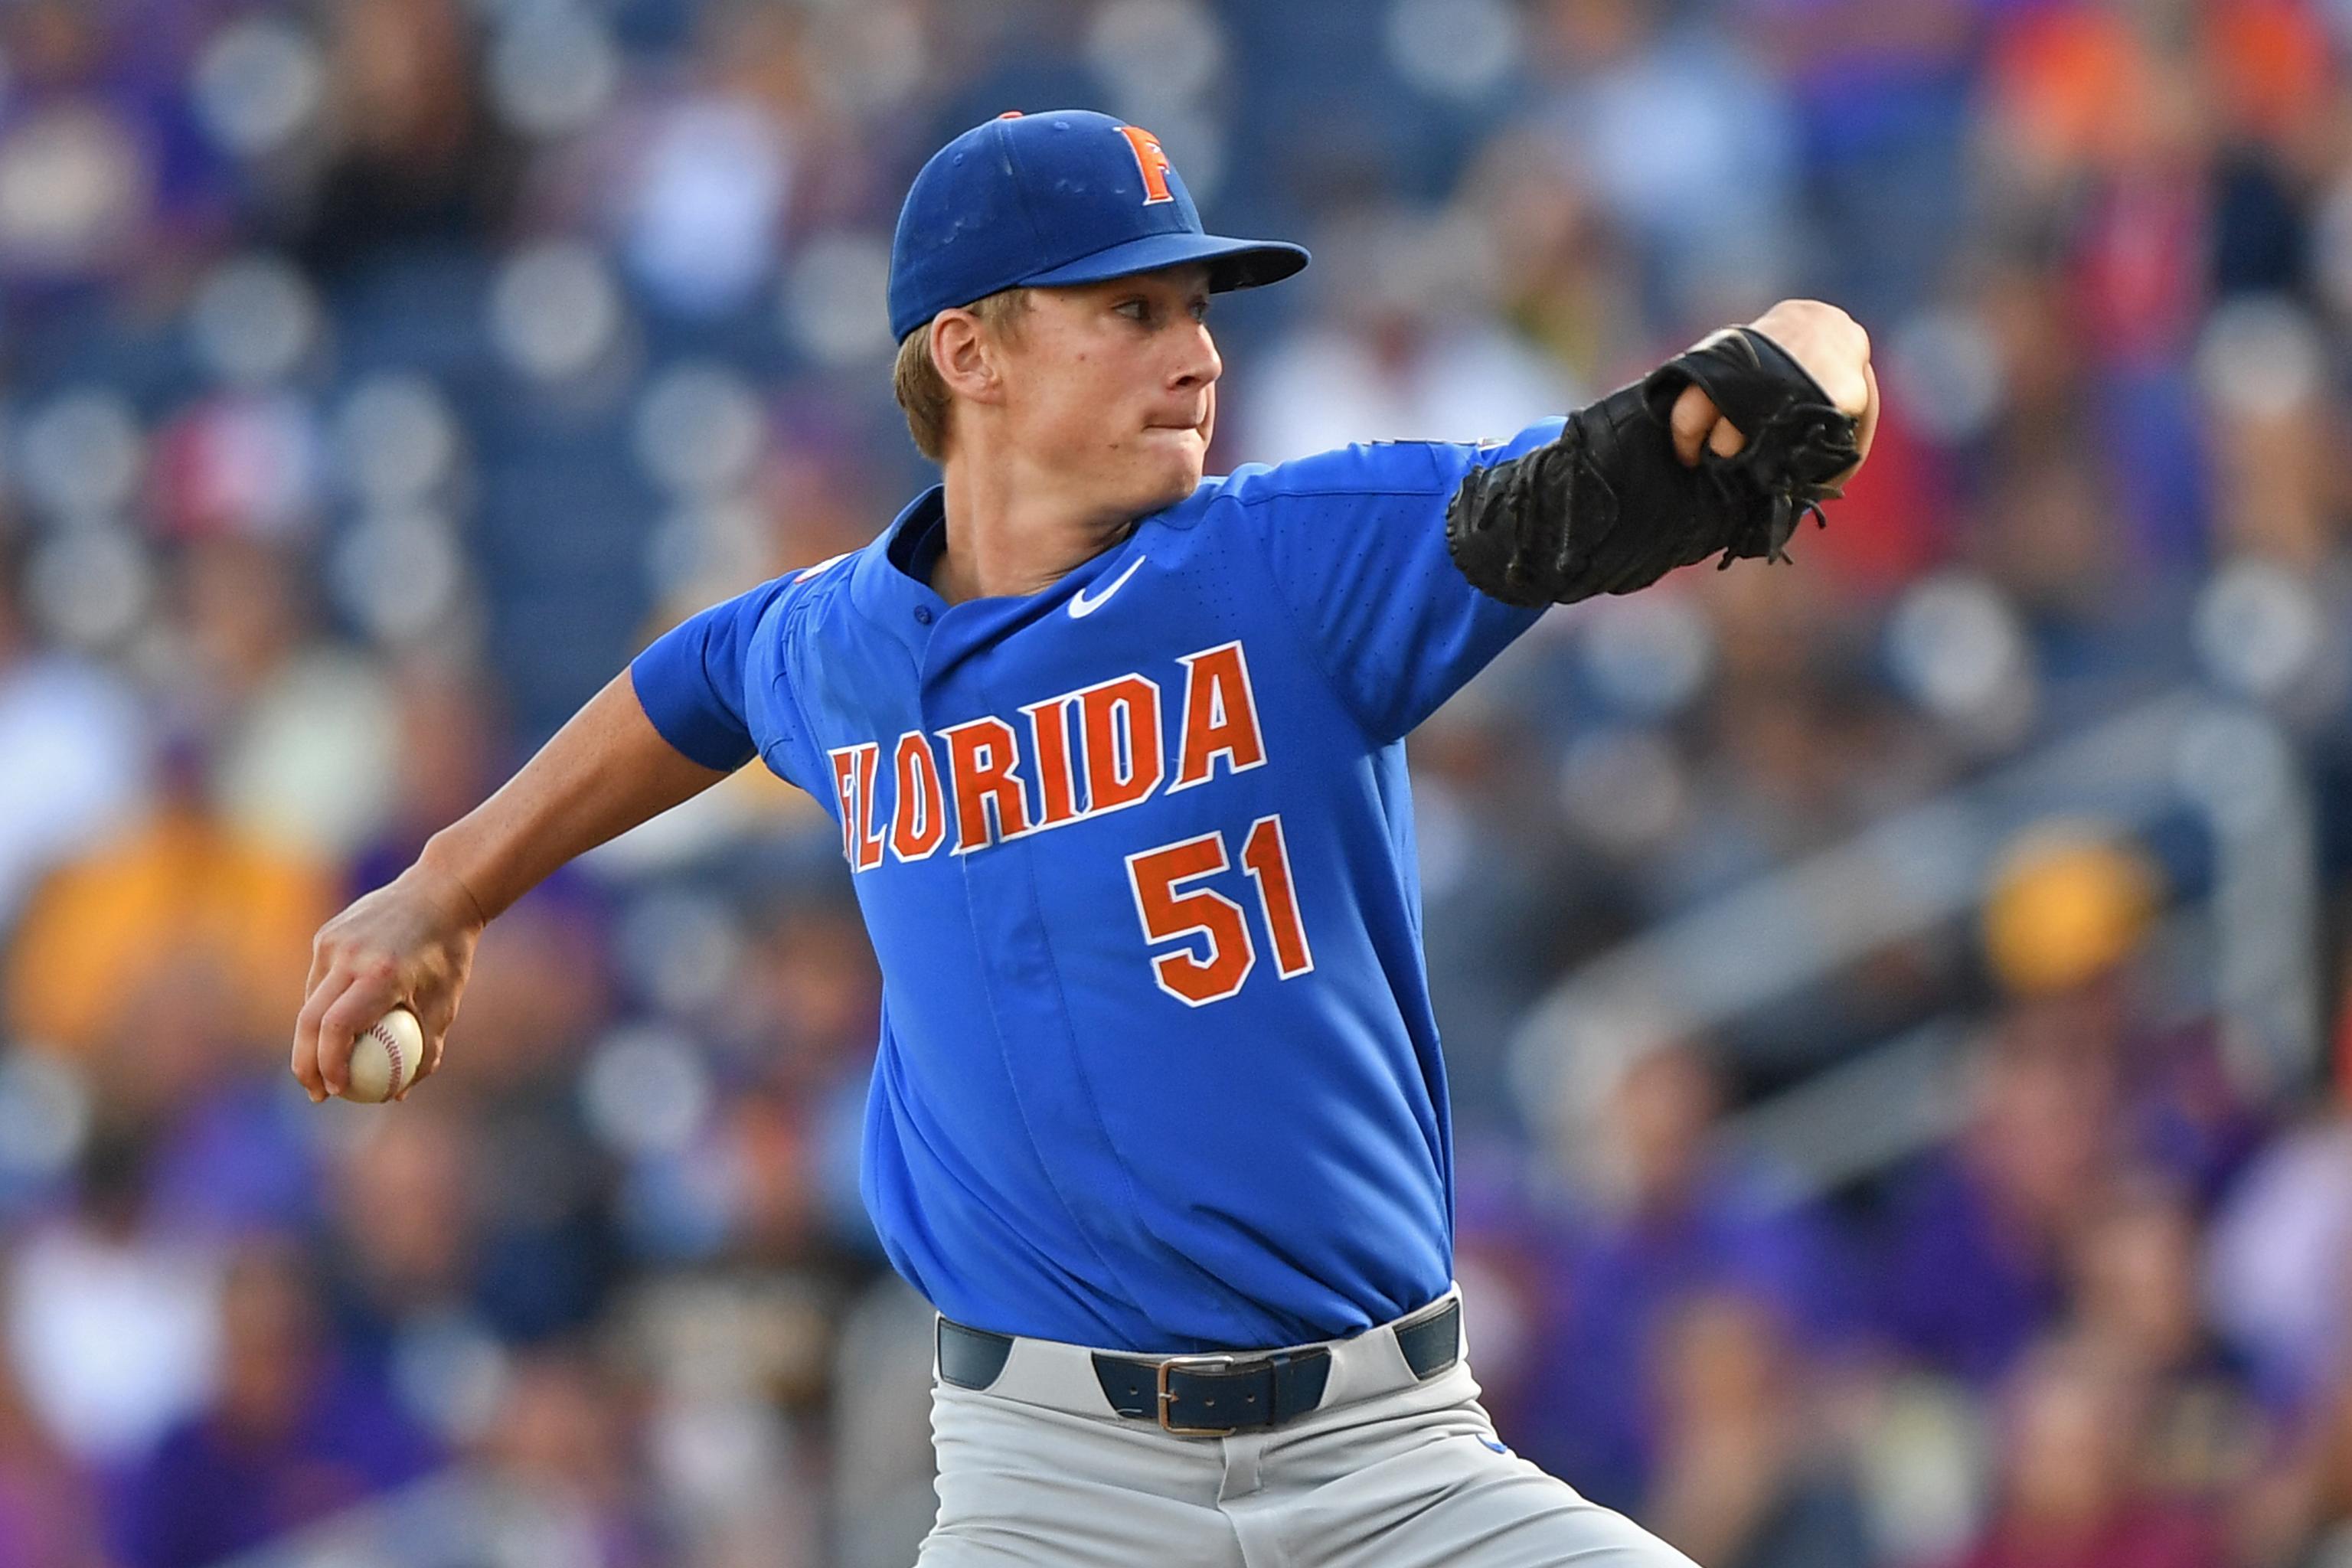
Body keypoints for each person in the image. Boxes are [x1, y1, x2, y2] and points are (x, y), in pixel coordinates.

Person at [294, 109, 1878, 1566]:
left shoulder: (1291, 563)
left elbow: (1629, 465)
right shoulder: (846, 644)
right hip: (1048, 1488)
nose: (1194, 353)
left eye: (1198, 310)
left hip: (1395, 1462)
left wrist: (1810, 359)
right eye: (1132, 311)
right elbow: (696, 682)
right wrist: (451, 882)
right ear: (970, 351)